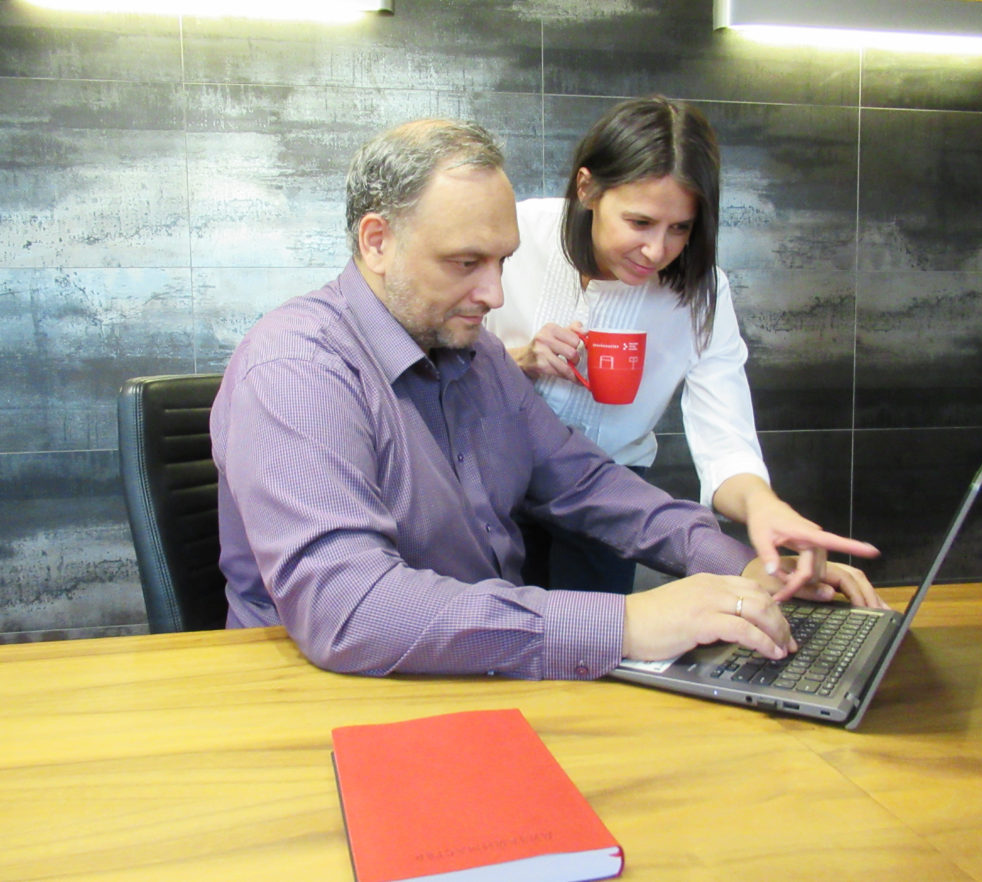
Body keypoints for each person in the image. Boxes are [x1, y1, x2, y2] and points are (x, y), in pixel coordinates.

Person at [210, 117, 886, 682]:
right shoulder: (297, 369)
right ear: (377, 241)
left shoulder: (475, 357)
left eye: (502, 261)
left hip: (468, 680)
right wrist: (625, 623)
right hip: (329, 697)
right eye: (465, 262)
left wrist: (747, 567)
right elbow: (351, 611)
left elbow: (586, 483)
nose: (495, 295)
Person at [487, 95, 868, 595]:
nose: (656, 250)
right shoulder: (516, 235)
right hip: (494, 476)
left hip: (613, 497)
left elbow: (724, 438)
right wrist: (517, 360)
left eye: (680, 228)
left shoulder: (702, 292)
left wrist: (763, 506)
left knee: (599, 631)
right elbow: (434, 358)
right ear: (587, 189)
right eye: (640, 222)